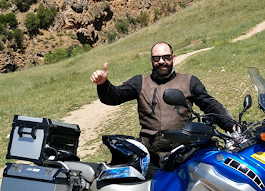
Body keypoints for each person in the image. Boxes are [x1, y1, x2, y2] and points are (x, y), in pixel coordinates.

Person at [90, 41, 237, 163]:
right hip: (150, 157)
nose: (161, 62)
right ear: (151, 60)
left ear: (173, 57)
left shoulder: (189, 82)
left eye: (166, 57)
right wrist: (103, 84)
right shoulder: (140, 82)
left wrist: (232, 126)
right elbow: (114, 97)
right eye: (157, 58)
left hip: (183, 155)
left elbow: (211, 106)